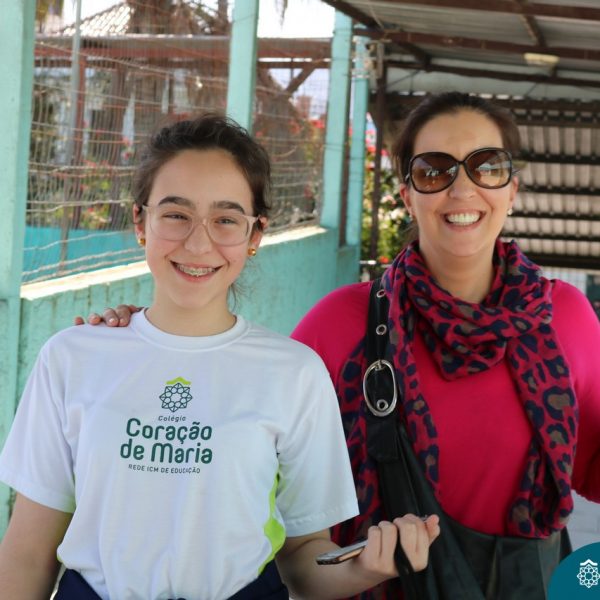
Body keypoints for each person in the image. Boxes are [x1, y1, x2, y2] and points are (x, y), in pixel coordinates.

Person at [75, 92, 600, 597]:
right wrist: (148, 338)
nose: (461, 189)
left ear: (512, 188)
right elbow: (232, 415)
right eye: (434, 171)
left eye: (486, 167)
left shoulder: (566, 320)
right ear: (407, 194)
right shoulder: (345, 322)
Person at [0, 115, 439, 600]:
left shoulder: (293, 373)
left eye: (226, 220)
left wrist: (367, 568)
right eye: (176, 214)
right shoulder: (72, 357)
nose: (198, 242)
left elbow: (303, 560)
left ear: (255, 236)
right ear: (140, 222)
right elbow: (27, 554)